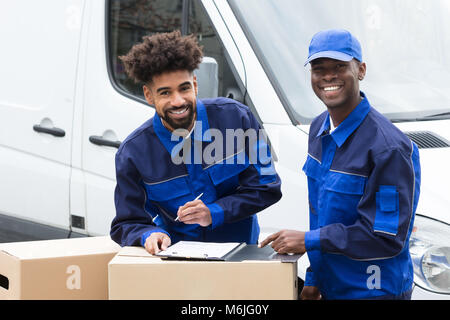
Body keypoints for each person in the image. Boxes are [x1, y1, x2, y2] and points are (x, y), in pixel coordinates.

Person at [260, 29, 421, 300]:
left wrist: (308, 240)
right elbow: (321, 215)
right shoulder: (318, 130)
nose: (328, 76)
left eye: (339, 67)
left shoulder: (388, 148)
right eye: (319, 68)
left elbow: (385, 237)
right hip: (331, 288)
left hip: (372, 291)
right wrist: (314, 277)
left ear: (361, 70)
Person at [110, 30, 281, 255]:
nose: (178, 101)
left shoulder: (238, 119)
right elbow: (127, 222)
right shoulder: (133, 153)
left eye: (184, 88)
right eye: (165, 93)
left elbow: (268, 187)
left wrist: (215, 212)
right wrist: (149, 234)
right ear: (149, 95)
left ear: (195, 84)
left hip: (241, 258)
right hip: (177, 265)